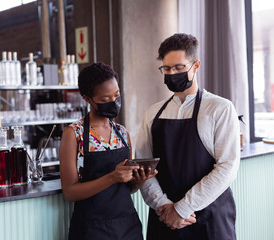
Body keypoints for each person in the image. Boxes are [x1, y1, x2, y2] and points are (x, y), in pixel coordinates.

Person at [136, 33, 240, 240]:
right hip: (164, 218)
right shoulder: (152, 113)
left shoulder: (220, 108)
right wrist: (164, 206)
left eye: (179, 68)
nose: (172, 73)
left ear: (196, 65)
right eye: (167, 69)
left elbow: (227, 168)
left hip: (211, 219)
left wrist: (182, 209)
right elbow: (143, 167)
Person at [60, 62, 156, 240]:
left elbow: (126, 189)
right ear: (87, 98)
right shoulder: (74, 134)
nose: (113, 102)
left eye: (117, 95)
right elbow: (70, 192)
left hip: (127, 226)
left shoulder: (122, 133)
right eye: (105, 100)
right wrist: (112, 177)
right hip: (91, 229)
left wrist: (138, 181)